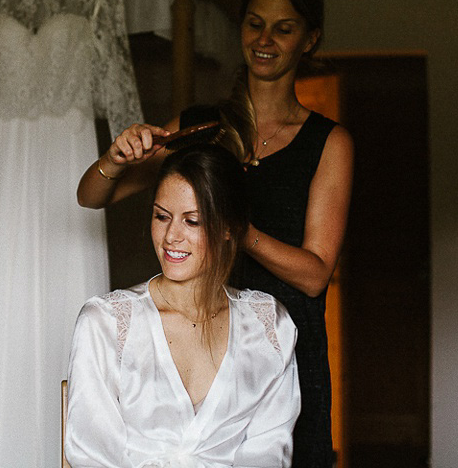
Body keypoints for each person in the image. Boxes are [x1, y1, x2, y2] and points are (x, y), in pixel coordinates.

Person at [76, 0, 354, 468]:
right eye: (254, 23)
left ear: (309, 39)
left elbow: (315, 276)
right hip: (194, 333)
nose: (265, 39)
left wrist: (229, 229)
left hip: (279, 346)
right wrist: (114, 160)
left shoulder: (328, 142)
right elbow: (91, 196)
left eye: (283, 28)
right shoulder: (200, 127)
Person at [65, 144, 301, 467]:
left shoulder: (268, 327)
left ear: (229, 228)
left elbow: (268, 452)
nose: (171, 236)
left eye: (192, 221)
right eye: (162, 216)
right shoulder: (105, 324)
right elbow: (93, 457)